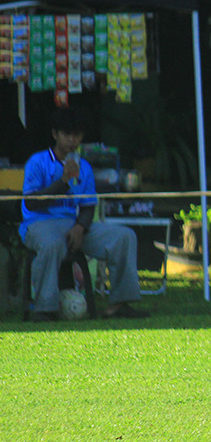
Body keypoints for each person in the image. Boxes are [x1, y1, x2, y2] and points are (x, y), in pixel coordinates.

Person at [20, 108, 149, 321]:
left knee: (124, 236)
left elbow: (88, 206)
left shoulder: (85, 167)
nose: (72, 140)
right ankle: (45, 309)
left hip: (73, 224)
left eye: (77, 135)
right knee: (52, 244)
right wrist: (63, 180)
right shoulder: (38, 162)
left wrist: (80, 227)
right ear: (55, 134)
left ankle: (119, 304)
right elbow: (31, 203)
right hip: (40, 223)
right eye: (66, 134)